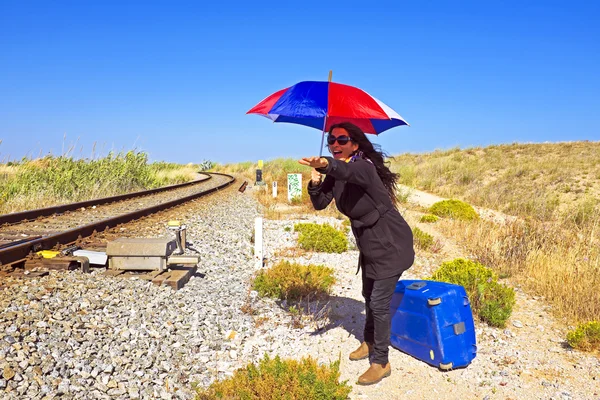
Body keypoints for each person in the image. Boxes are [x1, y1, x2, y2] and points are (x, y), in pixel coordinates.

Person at [298, 122, 415, 385]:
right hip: (369, 243)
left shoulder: (363, 167)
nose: (335, 145)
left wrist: (326, 163)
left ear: (355, 144)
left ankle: (381, 361)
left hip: (390, 242)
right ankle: (370, 341)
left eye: (342, 140)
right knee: (368, 295)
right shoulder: (337, 173)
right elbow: (319, 204)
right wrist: (316, 182)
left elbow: (346, 170)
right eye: (331, 141)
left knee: (379, 302)